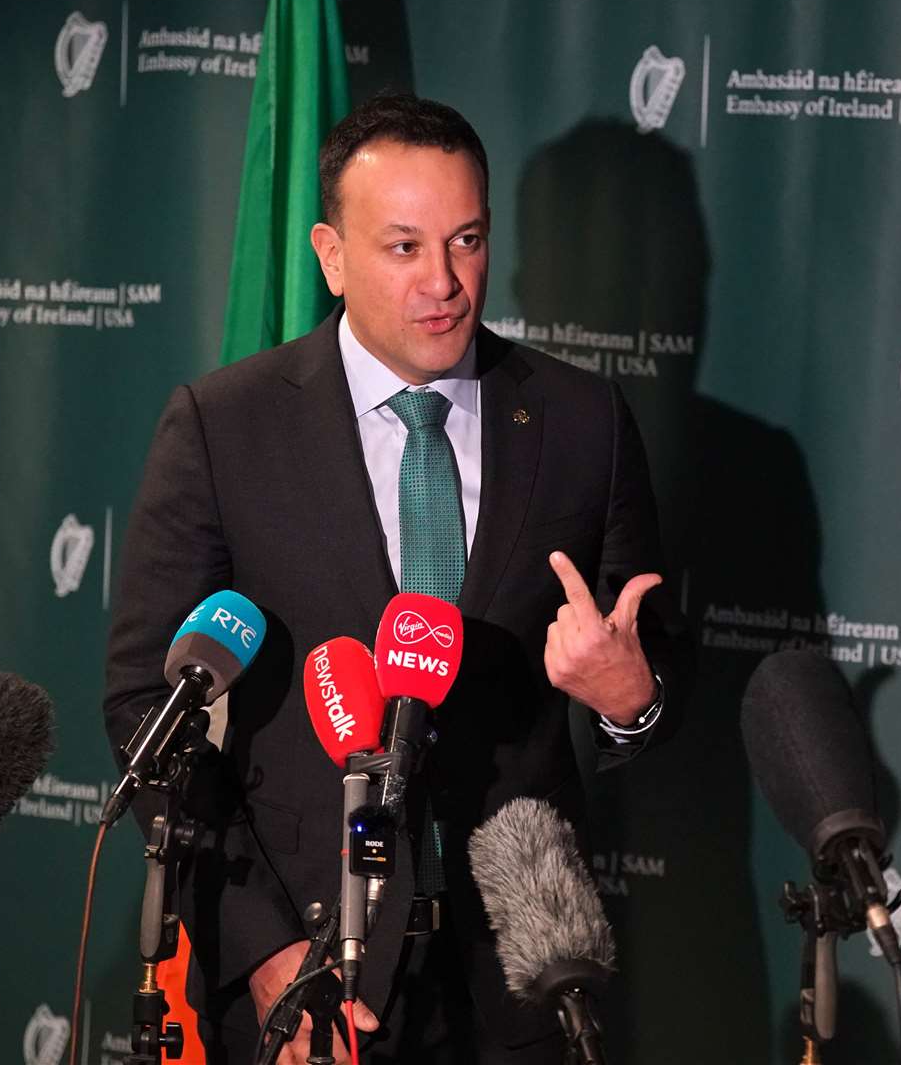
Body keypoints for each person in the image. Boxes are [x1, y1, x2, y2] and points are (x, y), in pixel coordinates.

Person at [103, 92, 684, 1065]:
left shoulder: (586, 423)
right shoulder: (223, 428)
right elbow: (142, 708)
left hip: (526, 976)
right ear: (331, 256)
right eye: (404, 248)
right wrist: (263, 952)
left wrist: (631, 698)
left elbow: (659, 671)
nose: (446, 283)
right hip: (310, 974)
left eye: (467, 240)